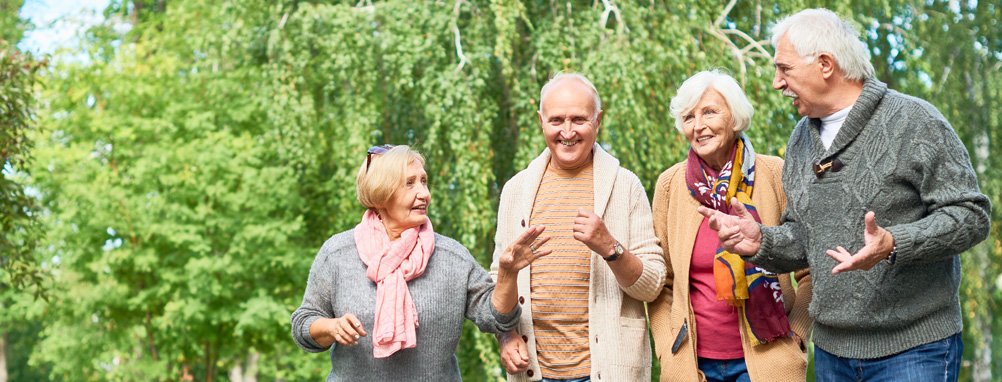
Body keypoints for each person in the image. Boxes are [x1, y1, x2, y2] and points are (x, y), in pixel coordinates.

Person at [698, 8, 991, 382]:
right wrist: (760, 241)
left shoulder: (916, 121)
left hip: (914, 351)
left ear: (825, 64)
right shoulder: (801, 140)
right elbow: (803, 240)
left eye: (784, 69)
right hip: (833, 354)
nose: (777, 82)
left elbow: (971, 216)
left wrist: (894, 243)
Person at [291, 145, 549, 381]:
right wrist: (332, 327)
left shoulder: (452, 257)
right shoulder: (337, 253)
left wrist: (507, 274)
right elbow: (304, 324)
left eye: (424, 182)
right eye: (410, 184)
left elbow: (497, 320)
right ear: (381, 193)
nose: (424, 194)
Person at [490, 73, 667, 382]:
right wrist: (504, 336)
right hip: (533, 372)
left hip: (608, 371)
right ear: (541, 121)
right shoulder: (515, 190)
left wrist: (611, 249)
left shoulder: (625, 186)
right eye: (557, 120)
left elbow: (652, 287)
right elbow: (499, 282)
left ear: (598, 120)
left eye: (579, 120)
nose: (567, 132)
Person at [648, 70, 812, 382]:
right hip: (692, 364)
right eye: (688, 117)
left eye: (709, 112)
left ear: (735, 117)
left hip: (770, 360)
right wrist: (665, 345)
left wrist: (800, 329)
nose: (699, 126)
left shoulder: (774, 173)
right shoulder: (670, 185)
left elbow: (811, 268)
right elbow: (662, 282)